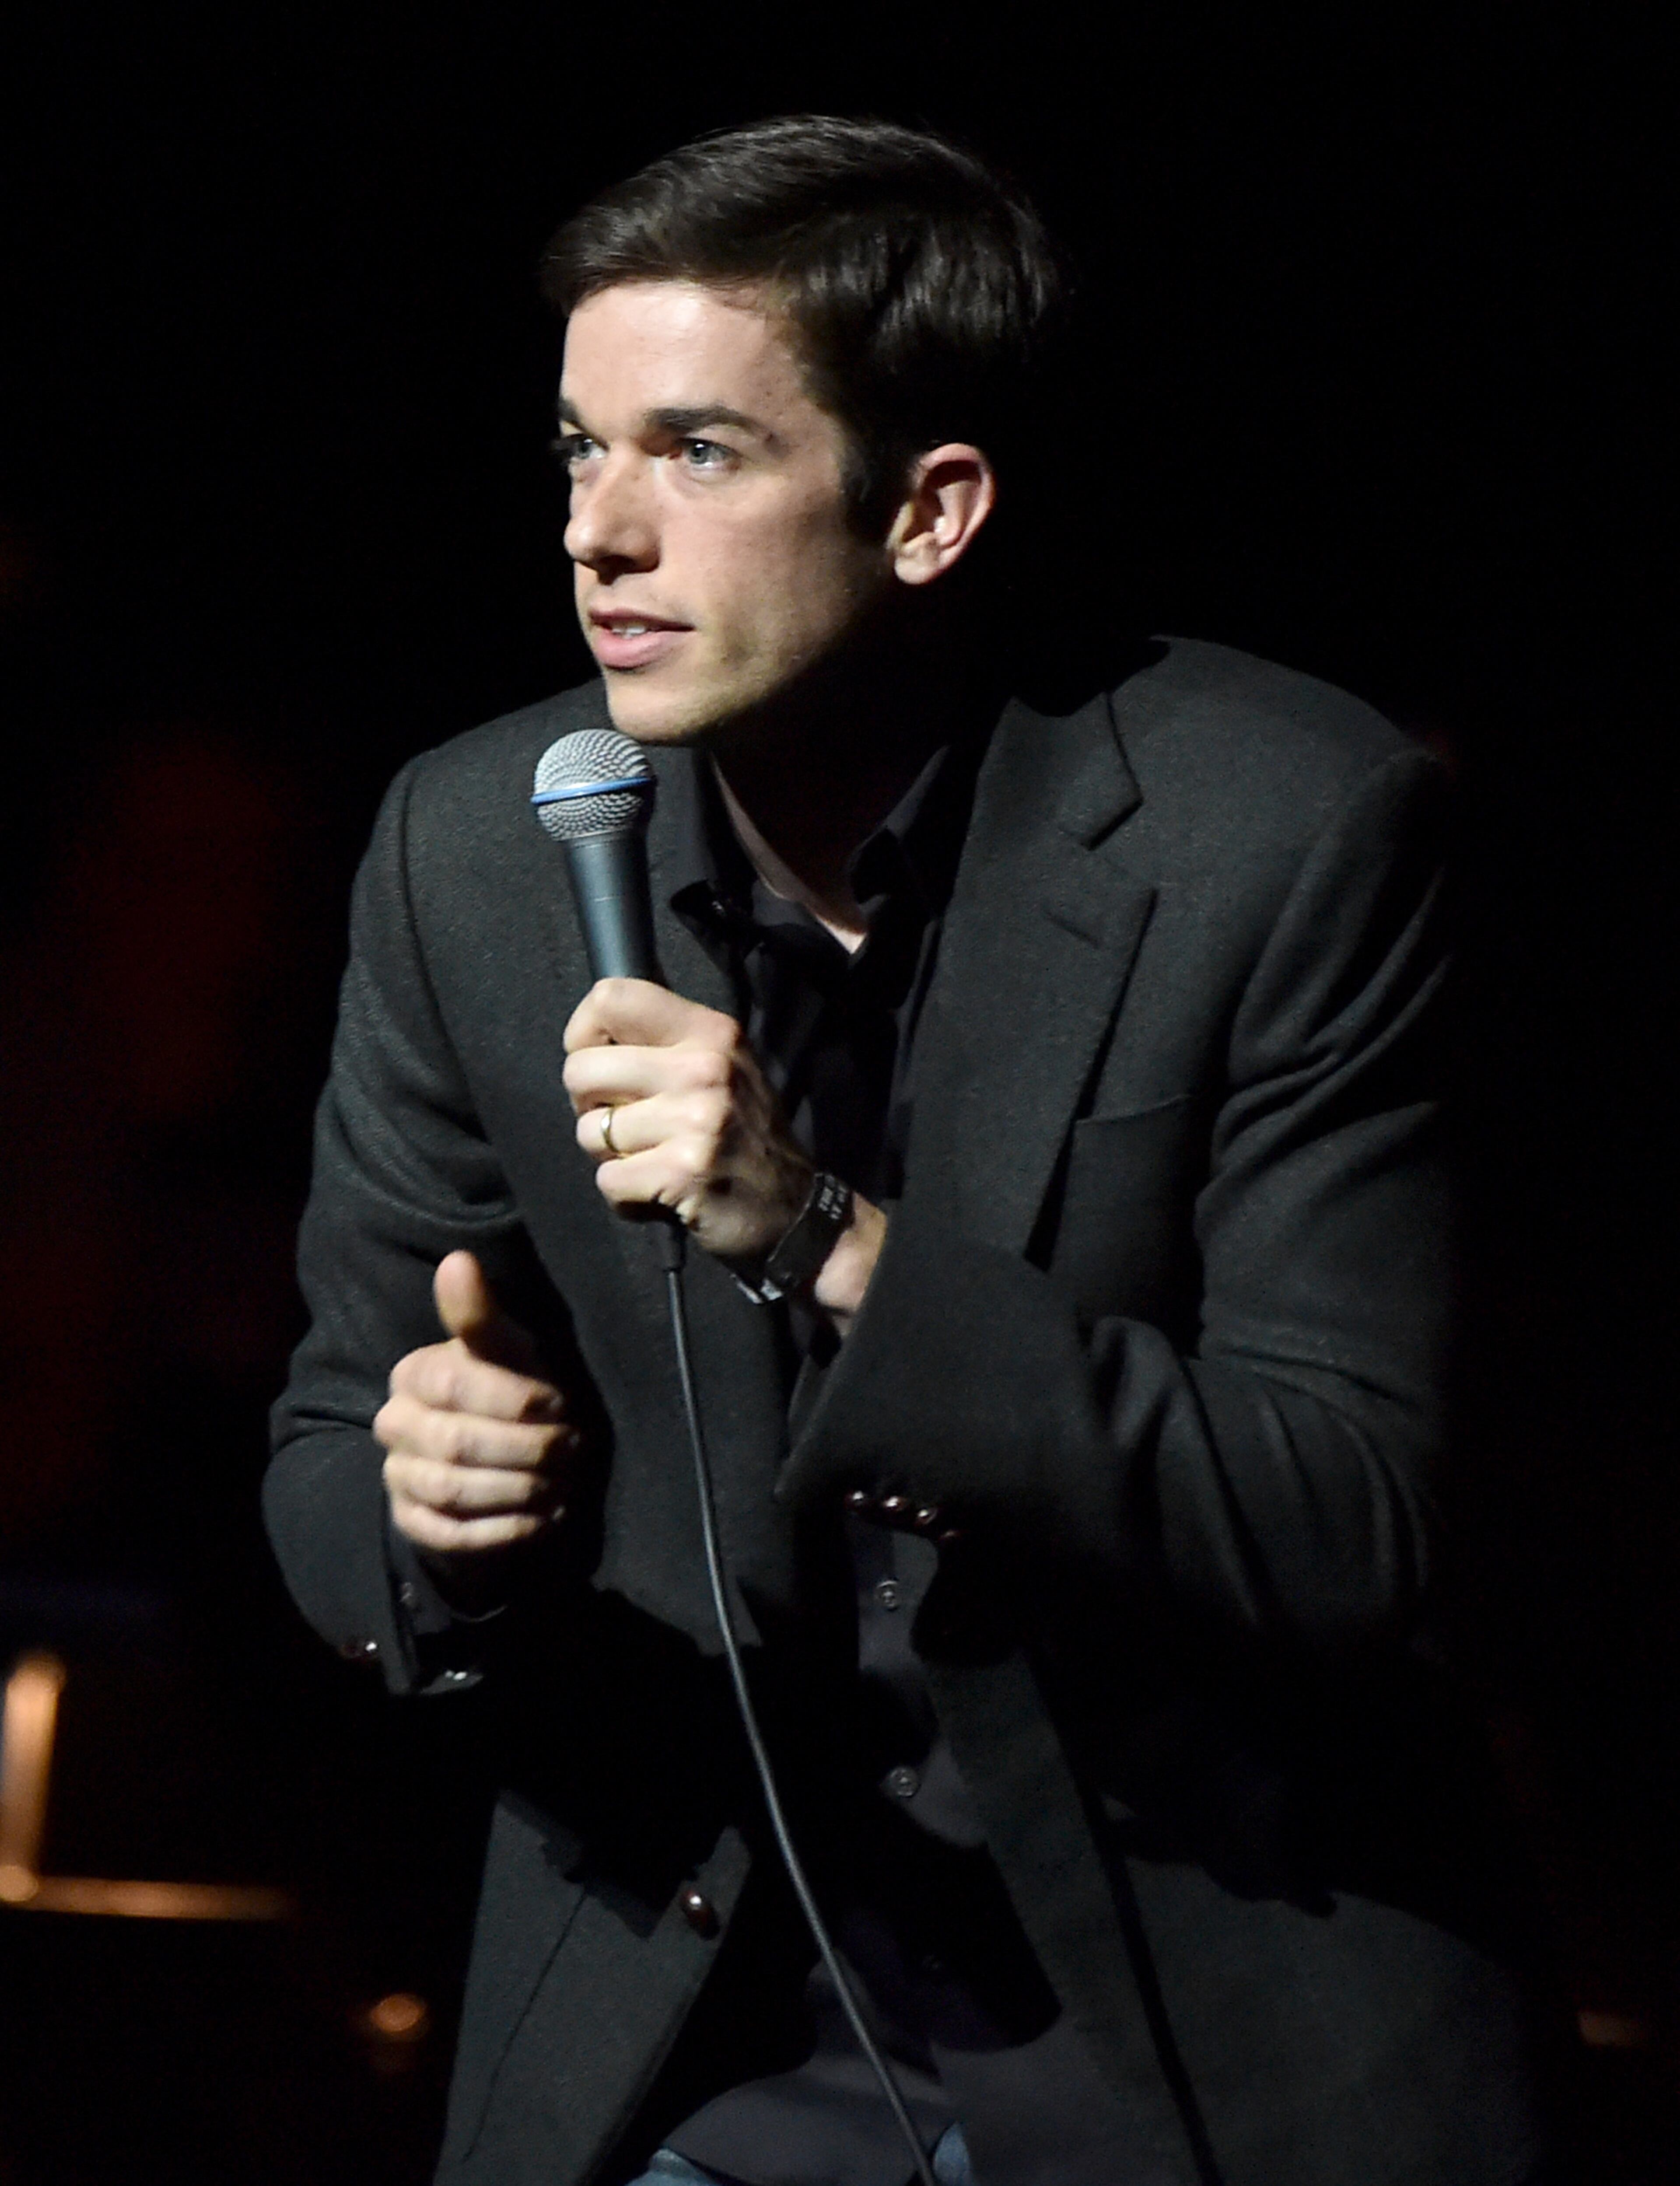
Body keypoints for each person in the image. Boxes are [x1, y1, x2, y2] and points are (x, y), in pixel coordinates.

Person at [266, 116, 1559, 2186]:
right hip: (705, 2027)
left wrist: (830, 1237)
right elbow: (330, 1454)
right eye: (577, 453)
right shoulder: (476, 845)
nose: (603, 532)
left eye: (696, 453)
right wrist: (438, 1505)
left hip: (1193, 2037)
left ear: (931, 510)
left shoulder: (1280, 827)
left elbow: (1354, 1519)